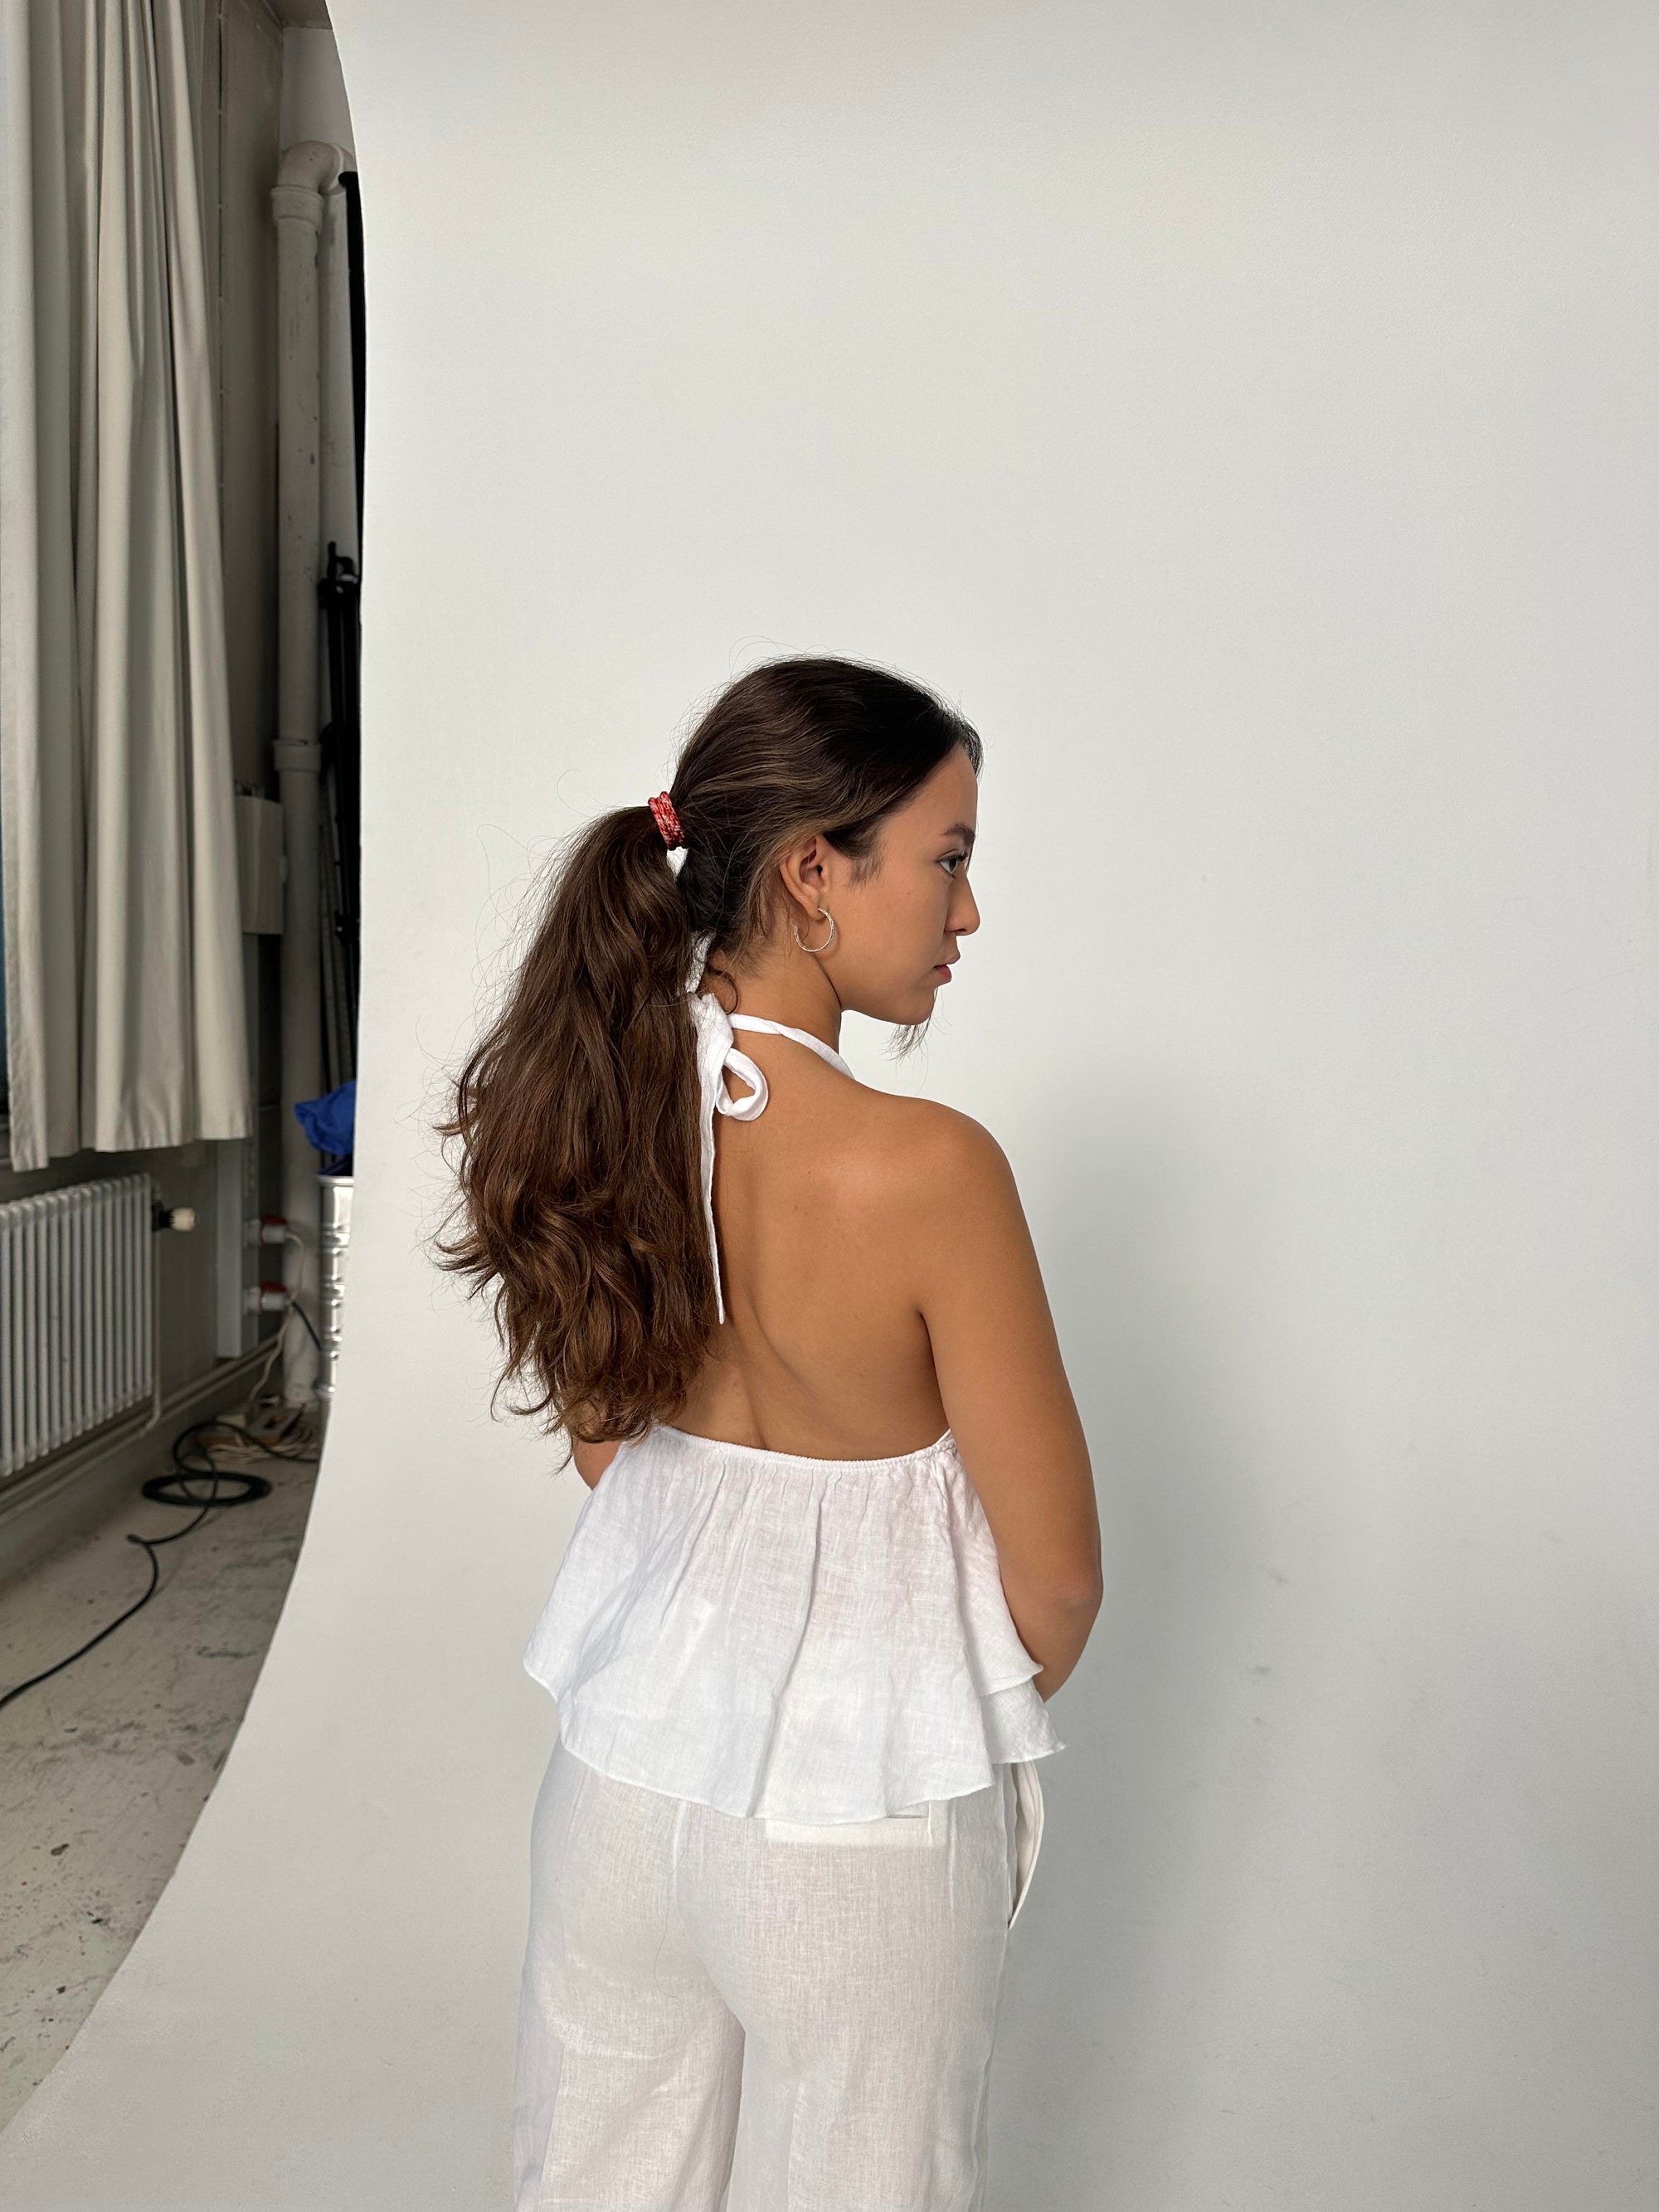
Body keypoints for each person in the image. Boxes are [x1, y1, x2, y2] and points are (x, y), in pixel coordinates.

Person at [432, 655, 1102, 2210]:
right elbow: (1060, 1584)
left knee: (595, 2182)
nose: (967, 912)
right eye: (948, 858)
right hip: (863, 1822)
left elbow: (613, 1459)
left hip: (619, 1783)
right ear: (813, 872)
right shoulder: (930, 1169)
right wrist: (913, 1698)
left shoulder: (603, 1111)